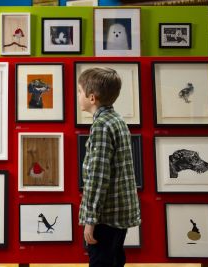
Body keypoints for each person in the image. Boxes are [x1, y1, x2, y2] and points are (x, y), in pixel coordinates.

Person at [77, 67, 141, 267]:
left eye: (80, 92)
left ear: (92, 98)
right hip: (119, 214)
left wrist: (90, 219)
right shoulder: (117, 120)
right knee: (115, 259)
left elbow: (98, 177)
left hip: (105, 216)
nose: (78, 96)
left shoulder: (102, 126)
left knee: (101, 262)